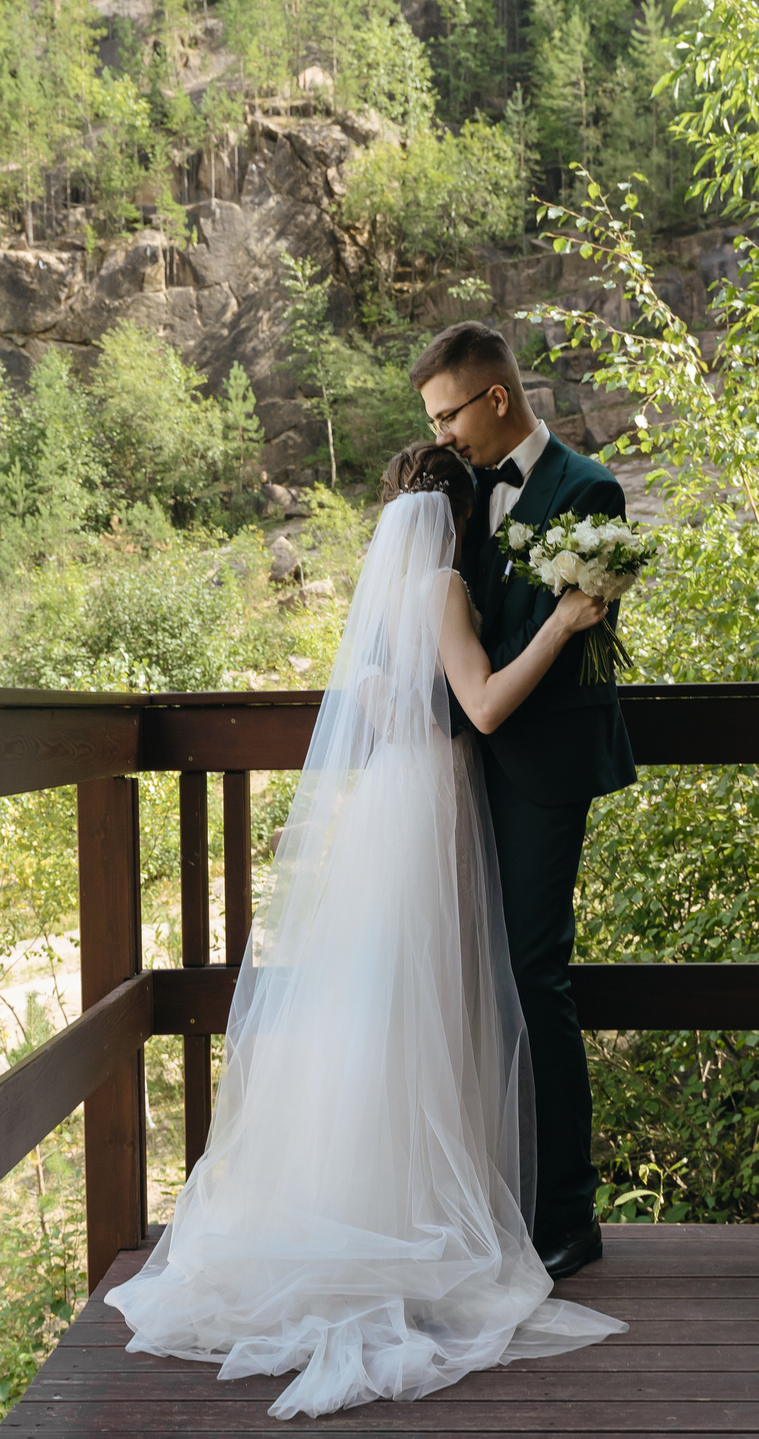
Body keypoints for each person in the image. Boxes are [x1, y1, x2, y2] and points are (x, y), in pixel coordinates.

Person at [105, 444, 623, 1419]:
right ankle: (425, 1210)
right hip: (432, 804)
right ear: (458, 518)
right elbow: (480, 705)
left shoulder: (380, 595)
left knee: (388, 1005)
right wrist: (561, 622)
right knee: (433, 1004)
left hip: (387, 803)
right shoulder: (442, 587)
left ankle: (381, 1197)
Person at [413, 319, 636, 1279]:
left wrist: (478, 684)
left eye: (448, 415)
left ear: (495, 397)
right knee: (468, 979)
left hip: (542, 771)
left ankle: (567, 1211)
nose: (442, 434)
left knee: (535, 975)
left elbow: (563, 637)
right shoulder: (460, 495)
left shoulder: (588, 491)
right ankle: (488, 1192)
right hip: (459, 769)